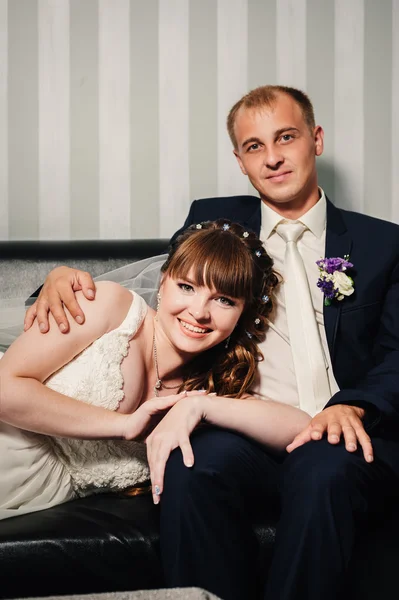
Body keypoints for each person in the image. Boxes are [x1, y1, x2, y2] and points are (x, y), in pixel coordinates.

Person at [23, 85, 399, 600]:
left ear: (316, 139)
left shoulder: (384, 243)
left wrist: (354, 406)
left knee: (322, 470)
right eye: (253, 146)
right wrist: (59, 279)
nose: (272, 158)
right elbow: (160, 288)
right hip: (245, 423)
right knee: (192, 464)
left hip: (349, 434)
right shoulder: (214, 217)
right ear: (240, 162)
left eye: (285, 138)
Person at [0, 219, 311, 522]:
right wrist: (123, 425)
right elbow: (5, 390)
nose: (199, 312)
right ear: (163, 281)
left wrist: (201, 405)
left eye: (223, 300)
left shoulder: (208, 387)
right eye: (187, 287)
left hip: (40, 494)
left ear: (242, 315)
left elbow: (301, 428)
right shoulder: (112, 307)